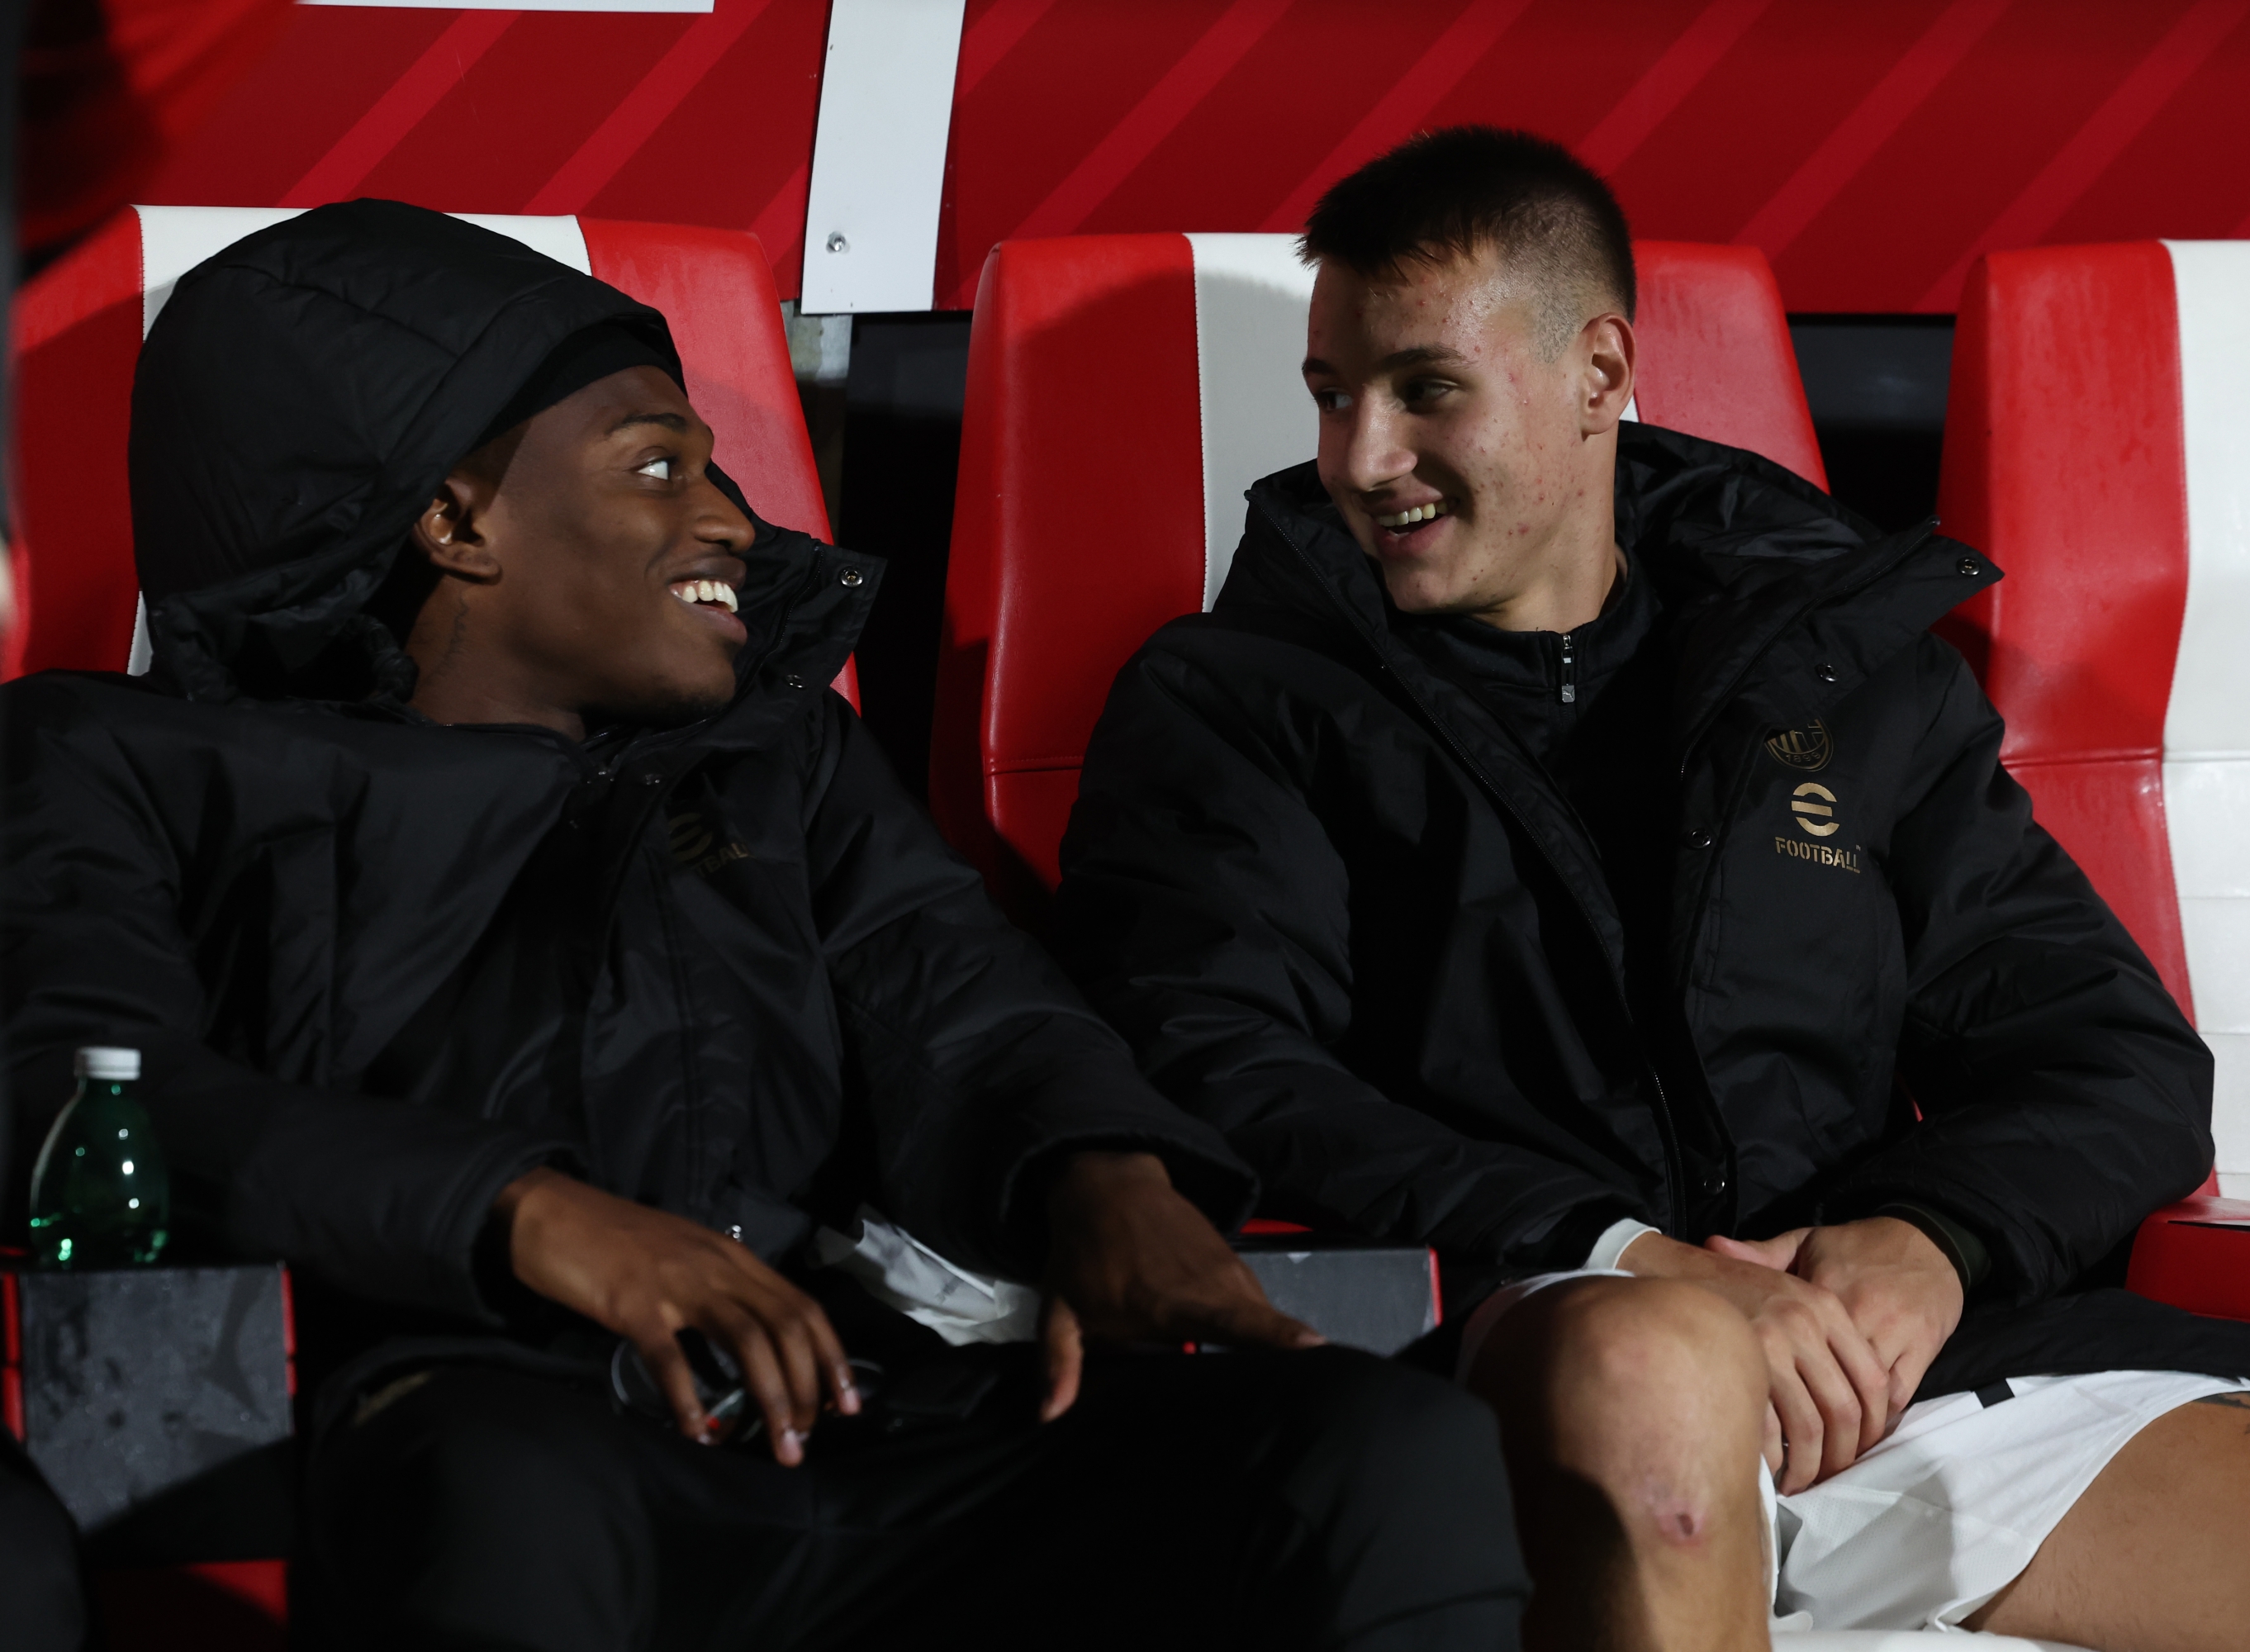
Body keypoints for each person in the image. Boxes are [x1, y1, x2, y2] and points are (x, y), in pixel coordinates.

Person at [0, 200, 1526, 1650]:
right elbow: (83, 1089)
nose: (731, 513)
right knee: (499, 1487)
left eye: (716, 463)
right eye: (658, 467)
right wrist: (530, 1215)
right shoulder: (114, 758)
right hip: (483, 1414)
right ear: (455, 520)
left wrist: (1107, 1183)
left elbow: (962, 1000)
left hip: (859, 1406)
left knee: (1380, 1448)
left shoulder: (776, 757)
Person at [1051, 126, 2250, 1652]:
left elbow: (2119, 1060)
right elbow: (1211, 1063)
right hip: (1517, 1338)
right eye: (1335, 395)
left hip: (1878, 1377)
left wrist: (1927, 1242)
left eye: (1427, 391)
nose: (1361, 459)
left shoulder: (1847, 672)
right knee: (1658, 1362)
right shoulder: (1236, 697)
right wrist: (1631, 1256)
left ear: (1602, 373)